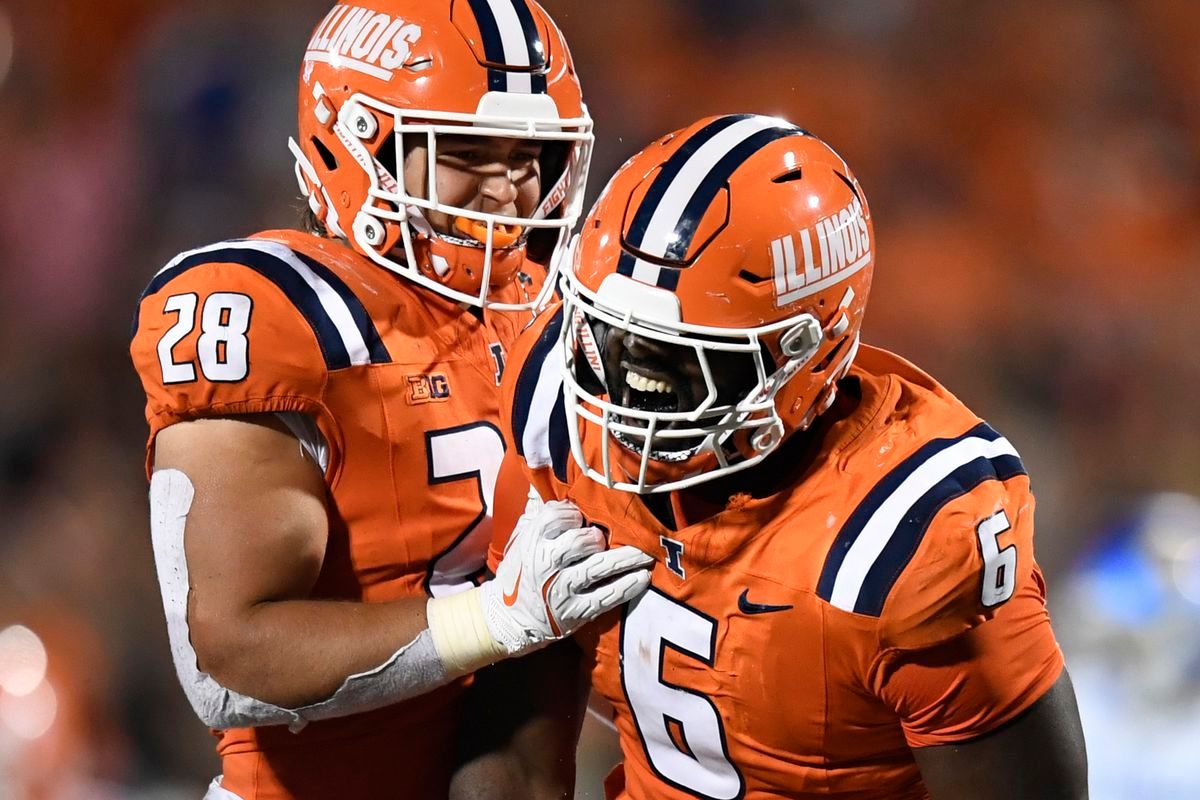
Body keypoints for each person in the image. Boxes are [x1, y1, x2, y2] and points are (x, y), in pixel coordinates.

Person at [471, 114, 1089, 799]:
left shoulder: (905, 537)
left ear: (808, 350)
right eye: (611, 338)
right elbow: (515, 757)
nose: (627, 391)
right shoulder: (555, 416)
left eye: (685, 358)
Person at [128, 2, 653, 798]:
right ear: (354, 142)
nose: (511, 188)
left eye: (531, 155)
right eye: (471, 150)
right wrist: (493, 620)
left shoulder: (551, 313)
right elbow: (224, 663)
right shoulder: (276, 313)